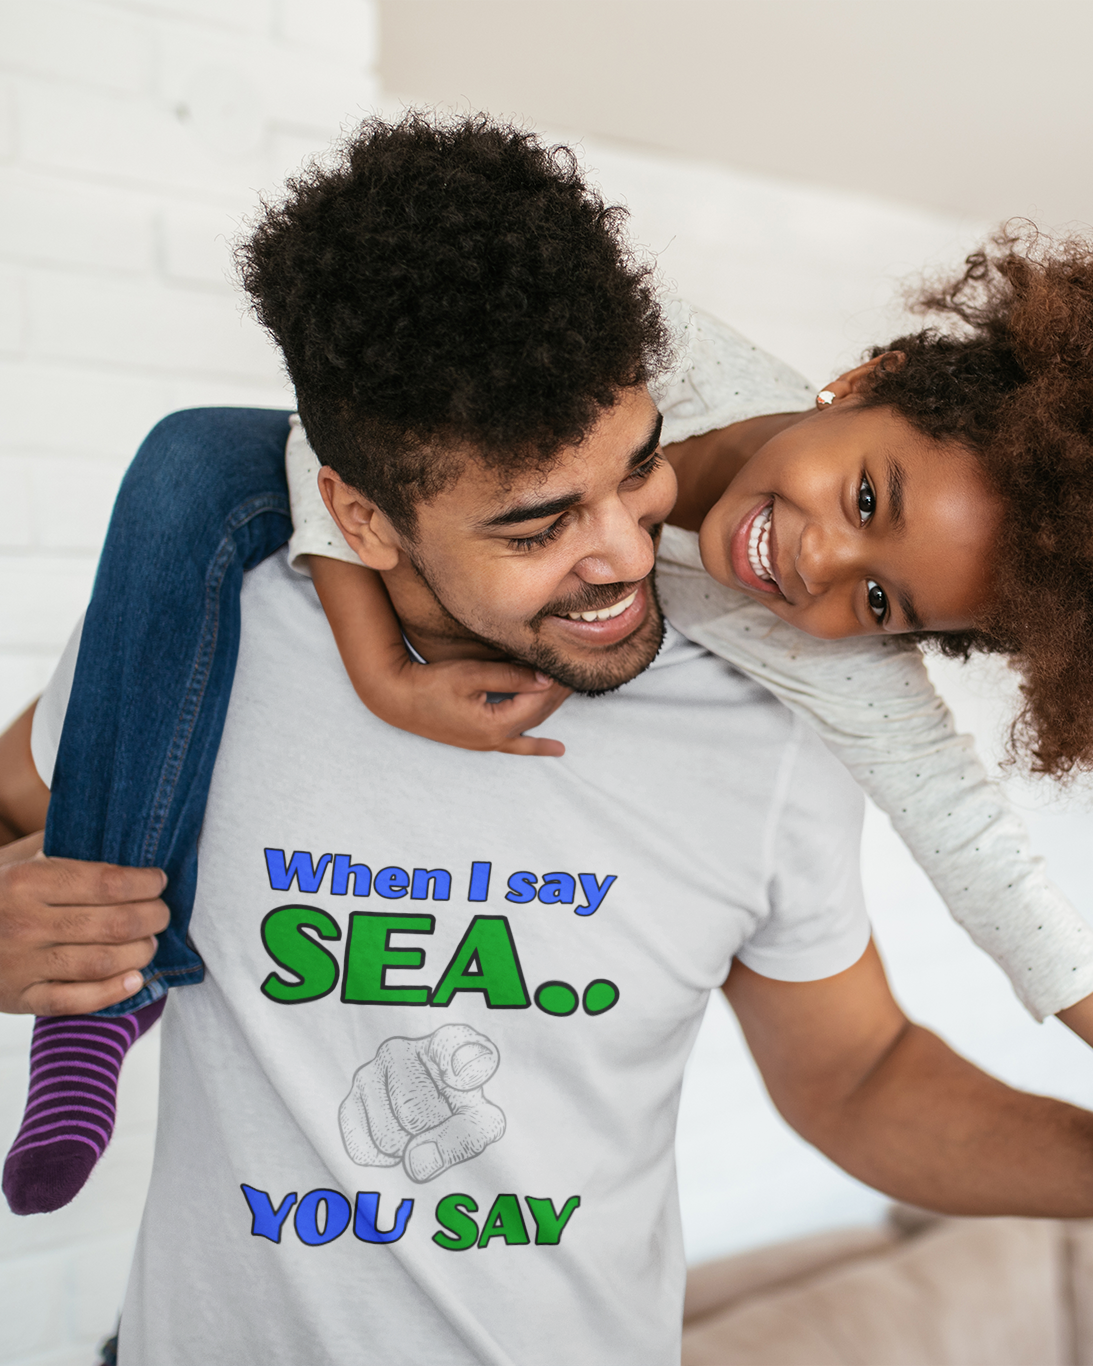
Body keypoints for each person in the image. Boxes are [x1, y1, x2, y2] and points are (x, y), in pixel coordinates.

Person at [4, 113, 1093, 1363]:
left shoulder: (786, 711)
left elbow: (863, 1069)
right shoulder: (203, 634)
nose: (627, 551)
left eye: (636, 475)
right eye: (536, 525)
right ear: (361, 514)